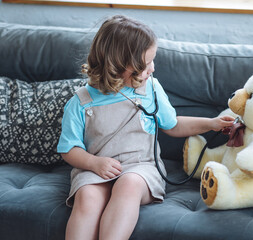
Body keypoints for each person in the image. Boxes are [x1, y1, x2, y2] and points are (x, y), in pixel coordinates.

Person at [57, 15, 235, 240]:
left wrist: (211, 124)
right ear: (116, 66)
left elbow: (173, 125)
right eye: (144, 64)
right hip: (96, 168)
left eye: (153, 60)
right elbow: (68, 149)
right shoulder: (80, 102)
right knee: (87, 198)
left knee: (128, 185)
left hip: (140, 168)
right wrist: (94, 163)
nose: (152, 68)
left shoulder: (150, 88)